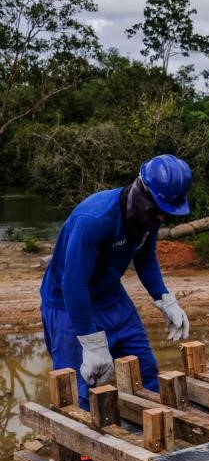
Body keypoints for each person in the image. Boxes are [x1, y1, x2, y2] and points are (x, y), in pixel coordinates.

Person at [40, 154, 193, 409]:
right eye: (157, 212)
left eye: (166, 214)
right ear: (140, 193)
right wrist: (92, 342)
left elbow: (145, 256)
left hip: (111, 296)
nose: (161, 219)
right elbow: (73, 283)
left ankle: (148, 439)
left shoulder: (150, 215)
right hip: (68, 303)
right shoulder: (95, 220)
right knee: (79, 390)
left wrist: (165, 299)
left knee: (144, 369)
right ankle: (83, 449)